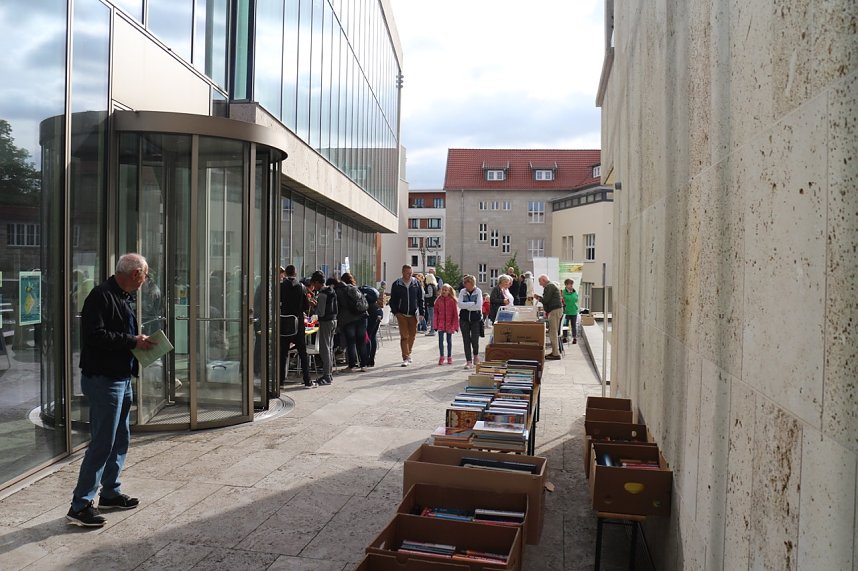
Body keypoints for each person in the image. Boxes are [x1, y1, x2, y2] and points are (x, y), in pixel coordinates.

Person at [67, 253, 155, 527]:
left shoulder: (121, 297)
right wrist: (133, 341)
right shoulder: (101, 296)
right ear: (135, 274)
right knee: (103, 442)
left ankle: (110, 492)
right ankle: (80, 505)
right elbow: (95, 336)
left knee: (120, 438)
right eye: (145, 275)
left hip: (120, 377)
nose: (146, 280)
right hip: (104, 380)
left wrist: (136, 343)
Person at [280, 265, 314, 388]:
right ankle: (307, 380)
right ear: (295, 273)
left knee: (283, 353)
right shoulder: (302, 287)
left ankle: (280, 381)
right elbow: (306, 306)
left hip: (284, 323)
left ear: (286, 273)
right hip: (298, 323)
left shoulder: (281, 286)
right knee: (302, 353)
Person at [388, 264, 424, 367]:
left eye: (411, 273)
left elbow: (421, 299)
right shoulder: (397, 284)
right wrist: (396, 312)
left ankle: (409, 353)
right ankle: (406, 357)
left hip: (413, 314)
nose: (410, 275)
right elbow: (393, 300)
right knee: (404, 336)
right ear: (403, 272)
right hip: (401, 314)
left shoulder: (416, 283)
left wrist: (422, 313)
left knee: (412, 336)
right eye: (408, 273)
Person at [335, 272, 368, 372]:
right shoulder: (354, 288)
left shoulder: (338, 291)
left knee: (351, 342)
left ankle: (351, 365)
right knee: (361, 342)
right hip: (362, 317)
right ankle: (364, 365)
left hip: (348, 320)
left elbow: (338, 307)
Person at [309, 271, 336, 385]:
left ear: (317, 282)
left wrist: (313, 305)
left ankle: (326, 376)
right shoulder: (331, 291)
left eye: (314, 284)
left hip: (325, 321)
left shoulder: (322, 294)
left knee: (324, 349)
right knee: (329, 348)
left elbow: (320, 312)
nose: (314, 287)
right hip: (334, 320)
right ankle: (329, 374)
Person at [457, 275, 483, 369]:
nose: (467, 287)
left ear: (472, 284)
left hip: (475, 318)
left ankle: (475, 355)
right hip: (464, 319)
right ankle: (468, 361)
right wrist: (472, 303)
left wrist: (466, 305)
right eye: (465, 285)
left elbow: (478, 305)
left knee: (475, 339)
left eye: (468, 285)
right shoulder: (462, 292)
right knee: (466, 340)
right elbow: (460, 304)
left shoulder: (478, 291)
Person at [536, 274, 563, 360]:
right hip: (555, 310)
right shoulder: (551, 286)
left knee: (553, 332)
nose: (540, 284)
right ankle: (555, 352)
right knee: (553, 331)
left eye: (540, 282)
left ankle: (555, 353)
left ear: (544, 280)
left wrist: (538, 298)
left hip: (554, 311)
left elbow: (545, 300)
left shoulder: (549, 286)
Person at [433, 284, 459, 365]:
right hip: (441, 323)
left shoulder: (452, 301)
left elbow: (455, 314)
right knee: (440, 341)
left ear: (449, 291)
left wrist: (455, 325)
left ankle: (449, 356)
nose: (443, 291)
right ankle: (441, 356)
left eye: (445, 290)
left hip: (449, 324)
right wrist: (435, 324)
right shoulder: (438, 300)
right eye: (443, 290)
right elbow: (435, 313)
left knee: (449, 341)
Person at [360, 283, 382, 367]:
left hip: (372, 314)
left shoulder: (361, 295)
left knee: (368, 337)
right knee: (372, 337)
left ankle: (367, 359)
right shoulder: (373, 301)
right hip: (378, 312)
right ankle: (371, 359)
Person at [562, 278, 579, 344]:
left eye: (572, 284)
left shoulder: (574, 292)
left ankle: (574, 338)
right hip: (566, 312)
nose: (571, 285)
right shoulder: (563, 292)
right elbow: (562, 301)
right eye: (570, 284)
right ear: (566, 285)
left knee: (573, 325)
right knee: (565, 325)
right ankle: (564, 337)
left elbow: (576, 299)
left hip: (574, 311)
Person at [423, 272, 438, 336]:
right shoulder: (434, 285)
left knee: (432, 318)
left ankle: (432, 330)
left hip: (430, 303)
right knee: (433, 317)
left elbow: (430, 294)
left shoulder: (429, 286)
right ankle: (432, 330)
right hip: (433, 303)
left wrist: (423, 295)